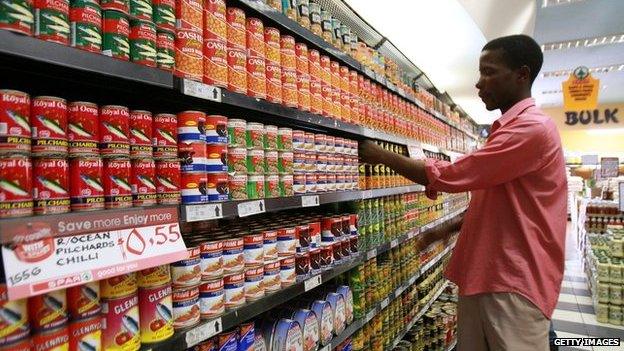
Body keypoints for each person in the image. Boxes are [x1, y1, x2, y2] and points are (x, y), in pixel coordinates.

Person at [359, 34, 567, 350]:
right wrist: (445, 228)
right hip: (486, 274)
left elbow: (455, 174)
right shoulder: (509, 130)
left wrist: (381, 155)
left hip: (513, 281)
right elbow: (498, 204)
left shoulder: (532, 129)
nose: (479, 83)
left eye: (489, 72)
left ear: (522, 75)